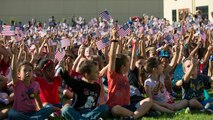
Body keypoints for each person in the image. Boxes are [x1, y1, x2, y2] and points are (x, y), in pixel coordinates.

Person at [107, 28, 152, 120]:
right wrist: (114, 39)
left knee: (149, 101)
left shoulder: (125, 77)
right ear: (123, 66)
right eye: (128, 64)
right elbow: (112, 57)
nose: (130, 66)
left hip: (128, 106)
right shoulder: (113, 75)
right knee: (116, 109)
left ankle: (132, 116)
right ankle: (138, 114)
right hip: (116, 107)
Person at [8, 44, 54, 120]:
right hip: (19, 112)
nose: (27, 72)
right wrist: (14, 55)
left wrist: (42, 110)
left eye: (30, 70)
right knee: (12, 114)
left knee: (49, 108)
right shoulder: (17, 83)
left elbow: (38, 100)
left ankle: (33, 118)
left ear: (33, 72)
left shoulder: (36, 84)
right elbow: (13, 70)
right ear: (19, 74)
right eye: (24, 70)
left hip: (33, 112)